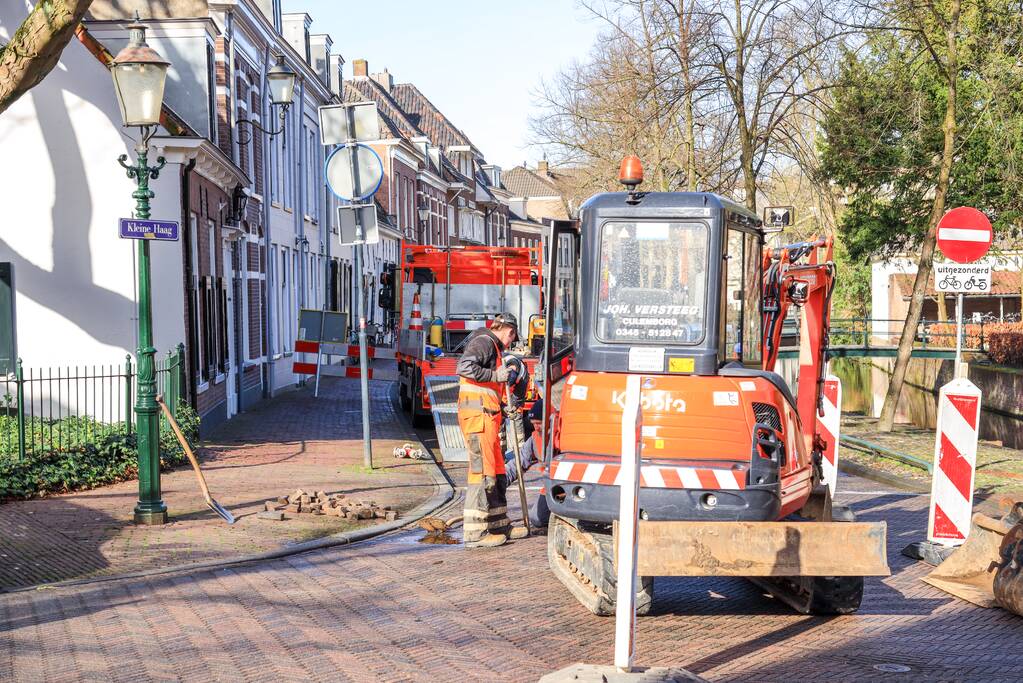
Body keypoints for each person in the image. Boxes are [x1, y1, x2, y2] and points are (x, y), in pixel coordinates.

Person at [456, 312, 529, 548]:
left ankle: (498, 523)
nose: (511, 342)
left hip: (489, 417)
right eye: (512, 338)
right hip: (478, 418)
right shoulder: (484, 342)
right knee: (481, 473)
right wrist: (495, 374)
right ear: (510, 332)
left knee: (496, 472)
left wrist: (503, 407)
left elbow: (489, 389)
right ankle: (475, 533)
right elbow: (465, 367)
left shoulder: (493, 347)